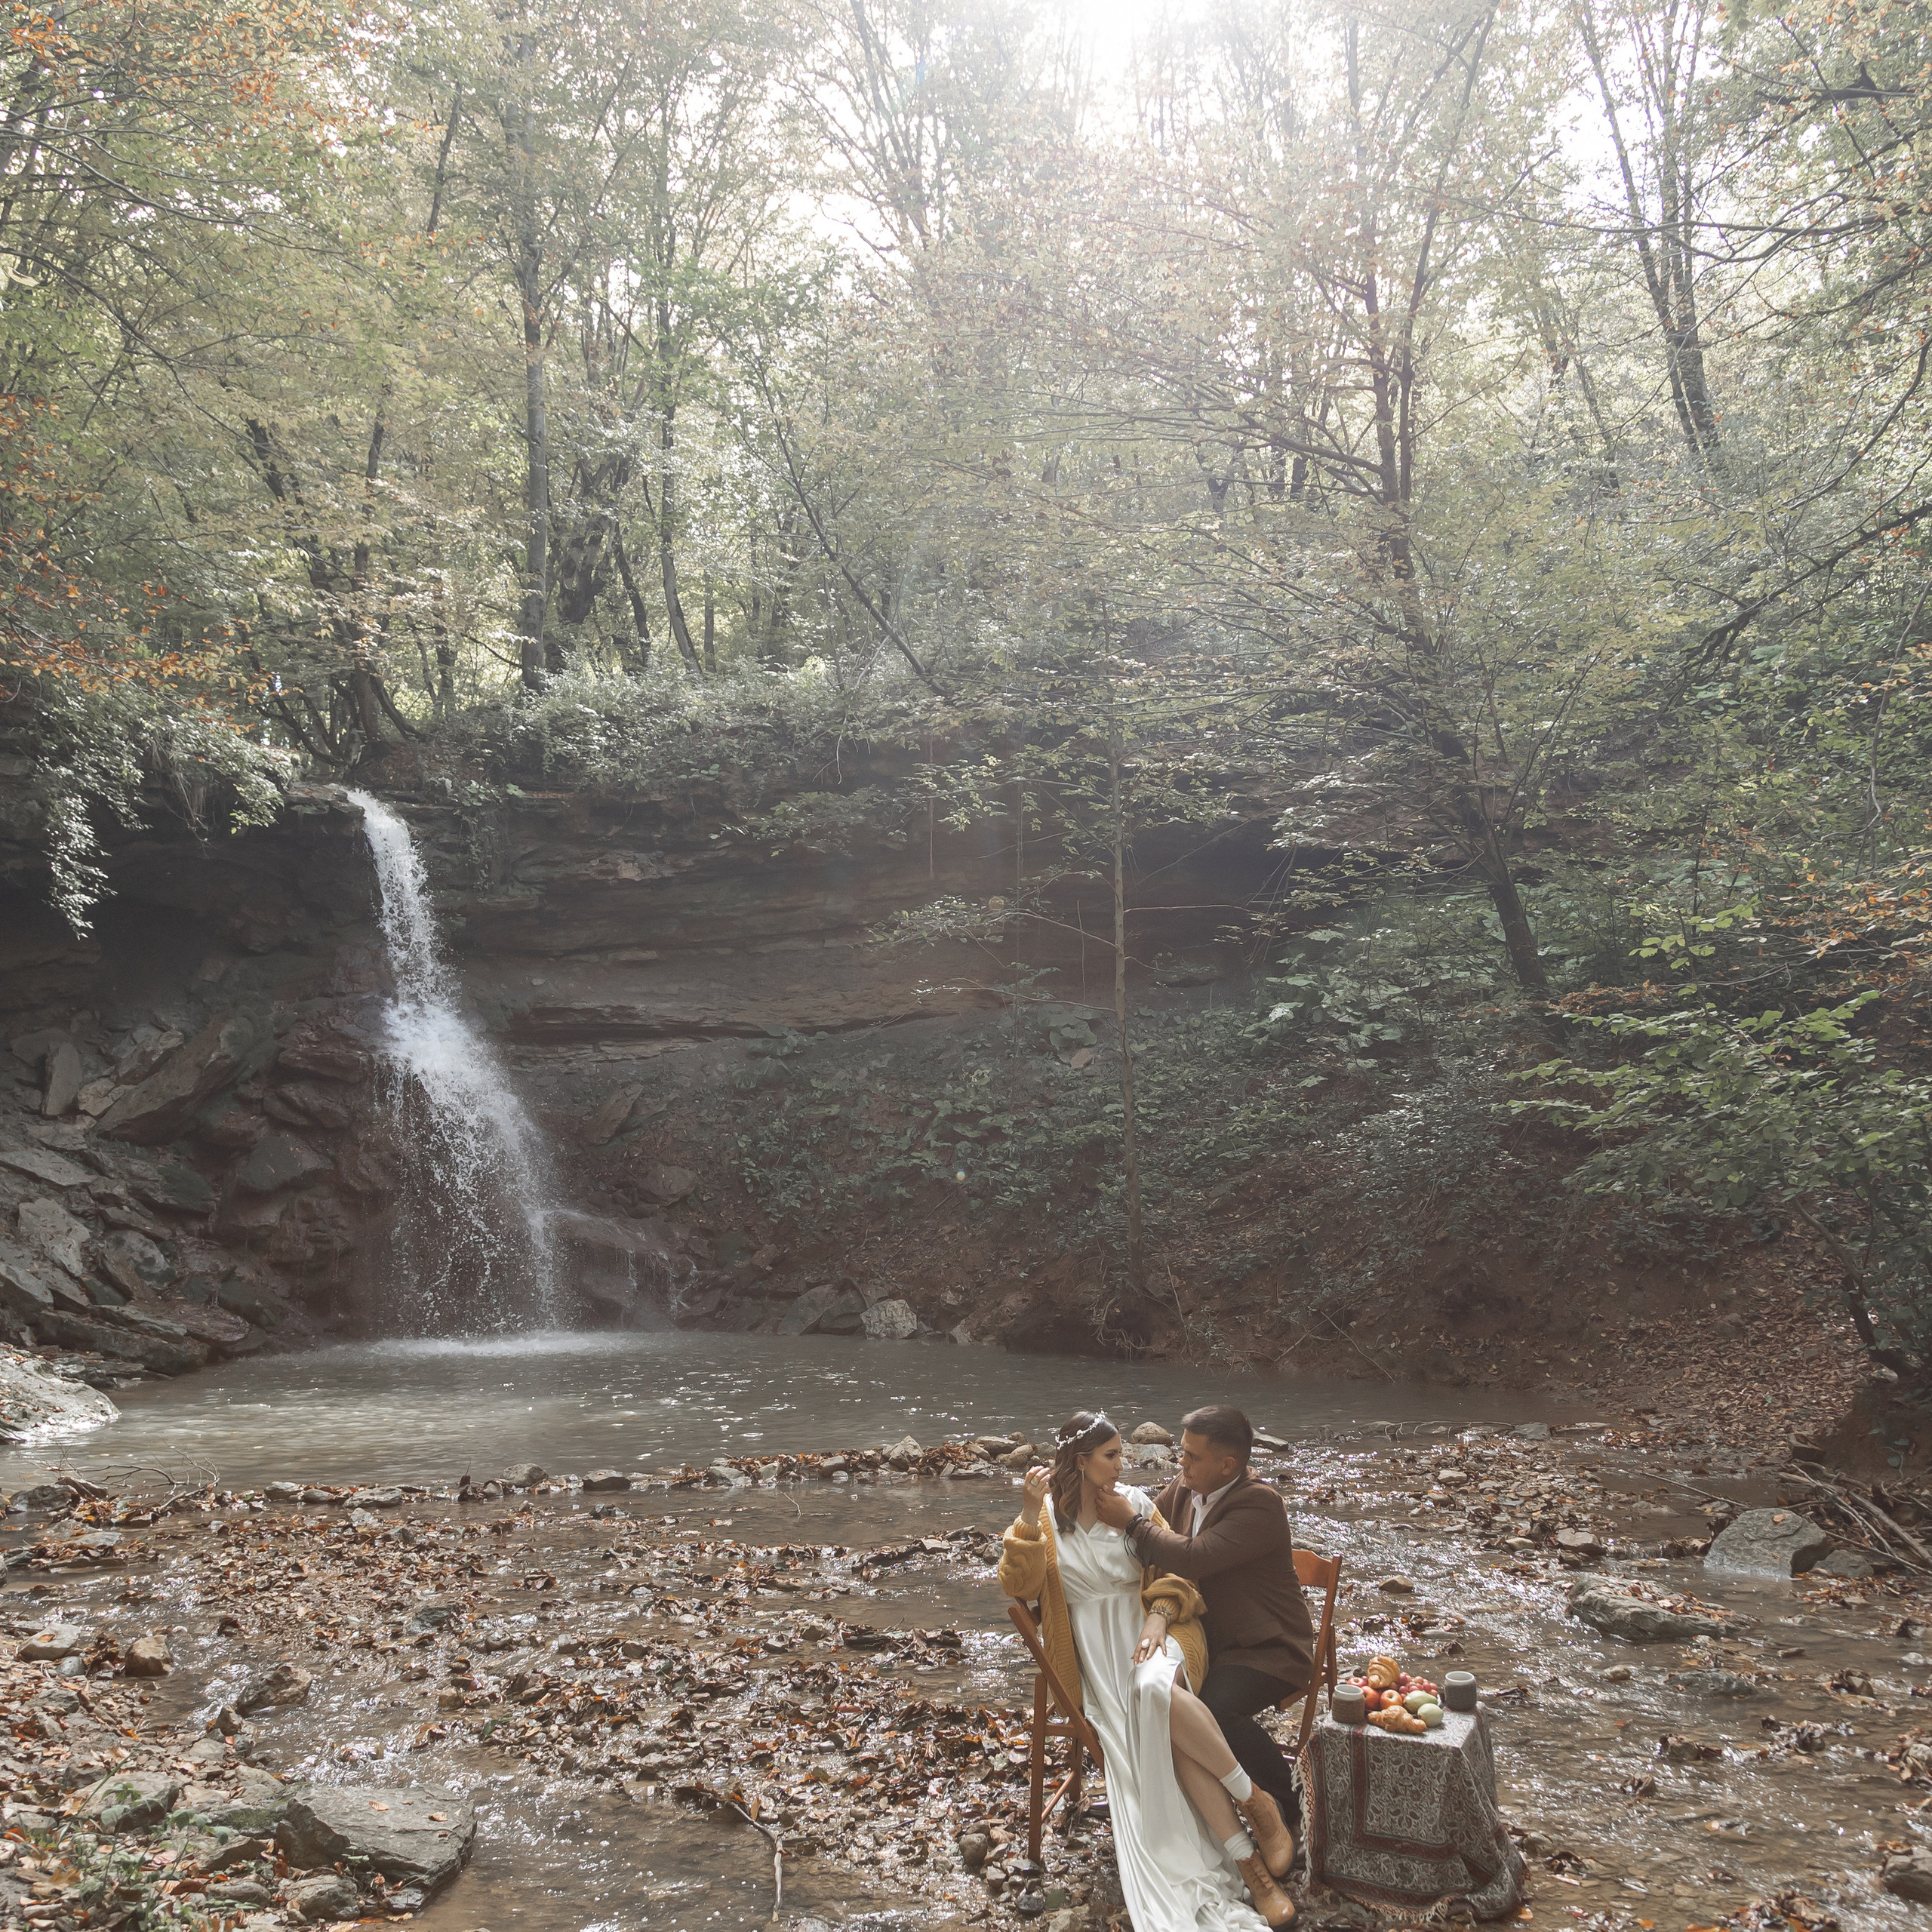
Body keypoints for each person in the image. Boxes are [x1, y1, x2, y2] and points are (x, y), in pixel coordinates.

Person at [998, 1411, 1298, 1931]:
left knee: (1153, 1689)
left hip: (1155, 1634)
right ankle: (1251, 1866)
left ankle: (1258, 1810)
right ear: (1081, 1461)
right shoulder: (1044, 1518)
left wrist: (1159, 1616)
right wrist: (1026, 1513)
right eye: (1112, 1455)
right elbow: (1018, 1588)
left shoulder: (1136, 1504)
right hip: (1092, 1654)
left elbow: (1182, 1570)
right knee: (1158, 1719)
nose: (1125, 1463)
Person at [1094, 1405, 1315, 1829]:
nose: (1181, 1462)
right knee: (1137, 1685)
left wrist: (1131, 1523)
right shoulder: (1185, 1486)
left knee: (1213, 1709)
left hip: (1267, 1649)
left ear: (1228, 1464)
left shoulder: (1260, 1505)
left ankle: (1288, 1804)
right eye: (1183, 1452)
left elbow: (1193, 1558)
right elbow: (1153, 1536)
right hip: (1206, 1638)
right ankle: (1151, 1797)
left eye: (1192, 1456)